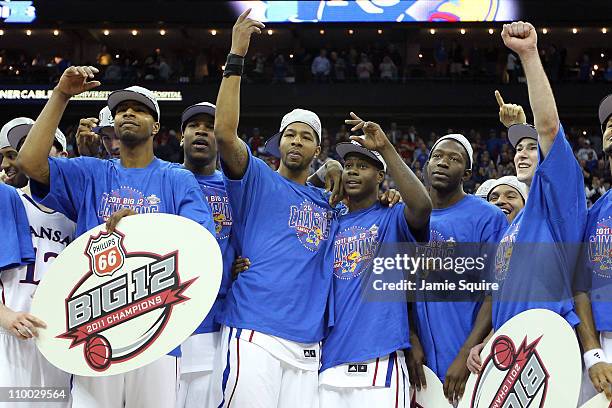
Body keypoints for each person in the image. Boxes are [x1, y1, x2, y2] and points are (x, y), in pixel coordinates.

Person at [16, 66, 215, 408]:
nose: (127, 113)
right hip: (95, 329)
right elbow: (30, 162)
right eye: (122, 109)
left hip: (158, 329)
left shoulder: (178, 179)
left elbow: (200, 244)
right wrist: (61, 95)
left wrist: (143, 232)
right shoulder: (91, 172)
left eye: (138, 109)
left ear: (155, 126)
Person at [209, 10, 343, 407]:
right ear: (278, 143)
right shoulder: (256, 178)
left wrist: (335, 172)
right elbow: (223, 133)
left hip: (307, 343)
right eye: (290, 135)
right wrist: (236, 54)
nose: (297, 142)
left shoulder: (330, 202)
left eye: (306, 137)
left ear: (317, 149)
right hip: (253, 330)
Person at [467, 22, 587, 380]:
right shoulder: (515, 225)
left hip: (547, 349)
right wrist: (489, 338)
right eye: (518, 147)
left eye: (531, 147)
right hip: (509, 352)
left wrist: (529, 54)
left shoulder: (559, 201)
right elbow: (512, 293)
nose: (522, 152)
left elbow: (548, 127)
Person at [318, 114, 431, 407]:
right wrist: (324, 171)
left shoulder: (392, 215)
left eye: (362, 166)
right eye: (348, 167)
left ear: (380, 176)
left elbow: (421, 206)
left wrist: (385, 148)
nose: (352, 172)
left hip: (379, 359)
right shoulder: (330, 220)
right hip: (328, 362)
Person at [409, 133, 508, 405]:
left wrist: (466, 353)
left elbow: (495, 291)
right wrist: (411, 337)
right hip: (420, 370)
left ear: (466, 172)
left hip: (469, 364)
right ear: (426, 165)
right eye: (437, 157)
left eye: (454, 159)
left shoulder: (488, 218)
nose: (443, 163)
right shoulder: (409, 215)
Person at [0, 117, 74, 408]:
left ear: (63, 156)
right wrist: (6, 316)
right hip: (10, 339)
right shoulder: (7, 200)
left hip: (61, 345)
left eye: (42, 143)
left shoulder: (80, 216)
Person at [174, 102, 237, 408]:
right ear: (180, 137)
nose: (201, 130)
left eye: (210, 126)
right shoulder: (163, 179)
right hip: (164, 316)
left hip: (215, 324)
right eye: (192, 125)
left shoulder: (237, 189)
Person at [574, 93, 612, 403]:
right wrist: (593, 353)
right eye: (608, 124)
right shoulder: (597, 211)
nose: (611, 126)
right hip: (605, 344)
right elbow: (580, 287)